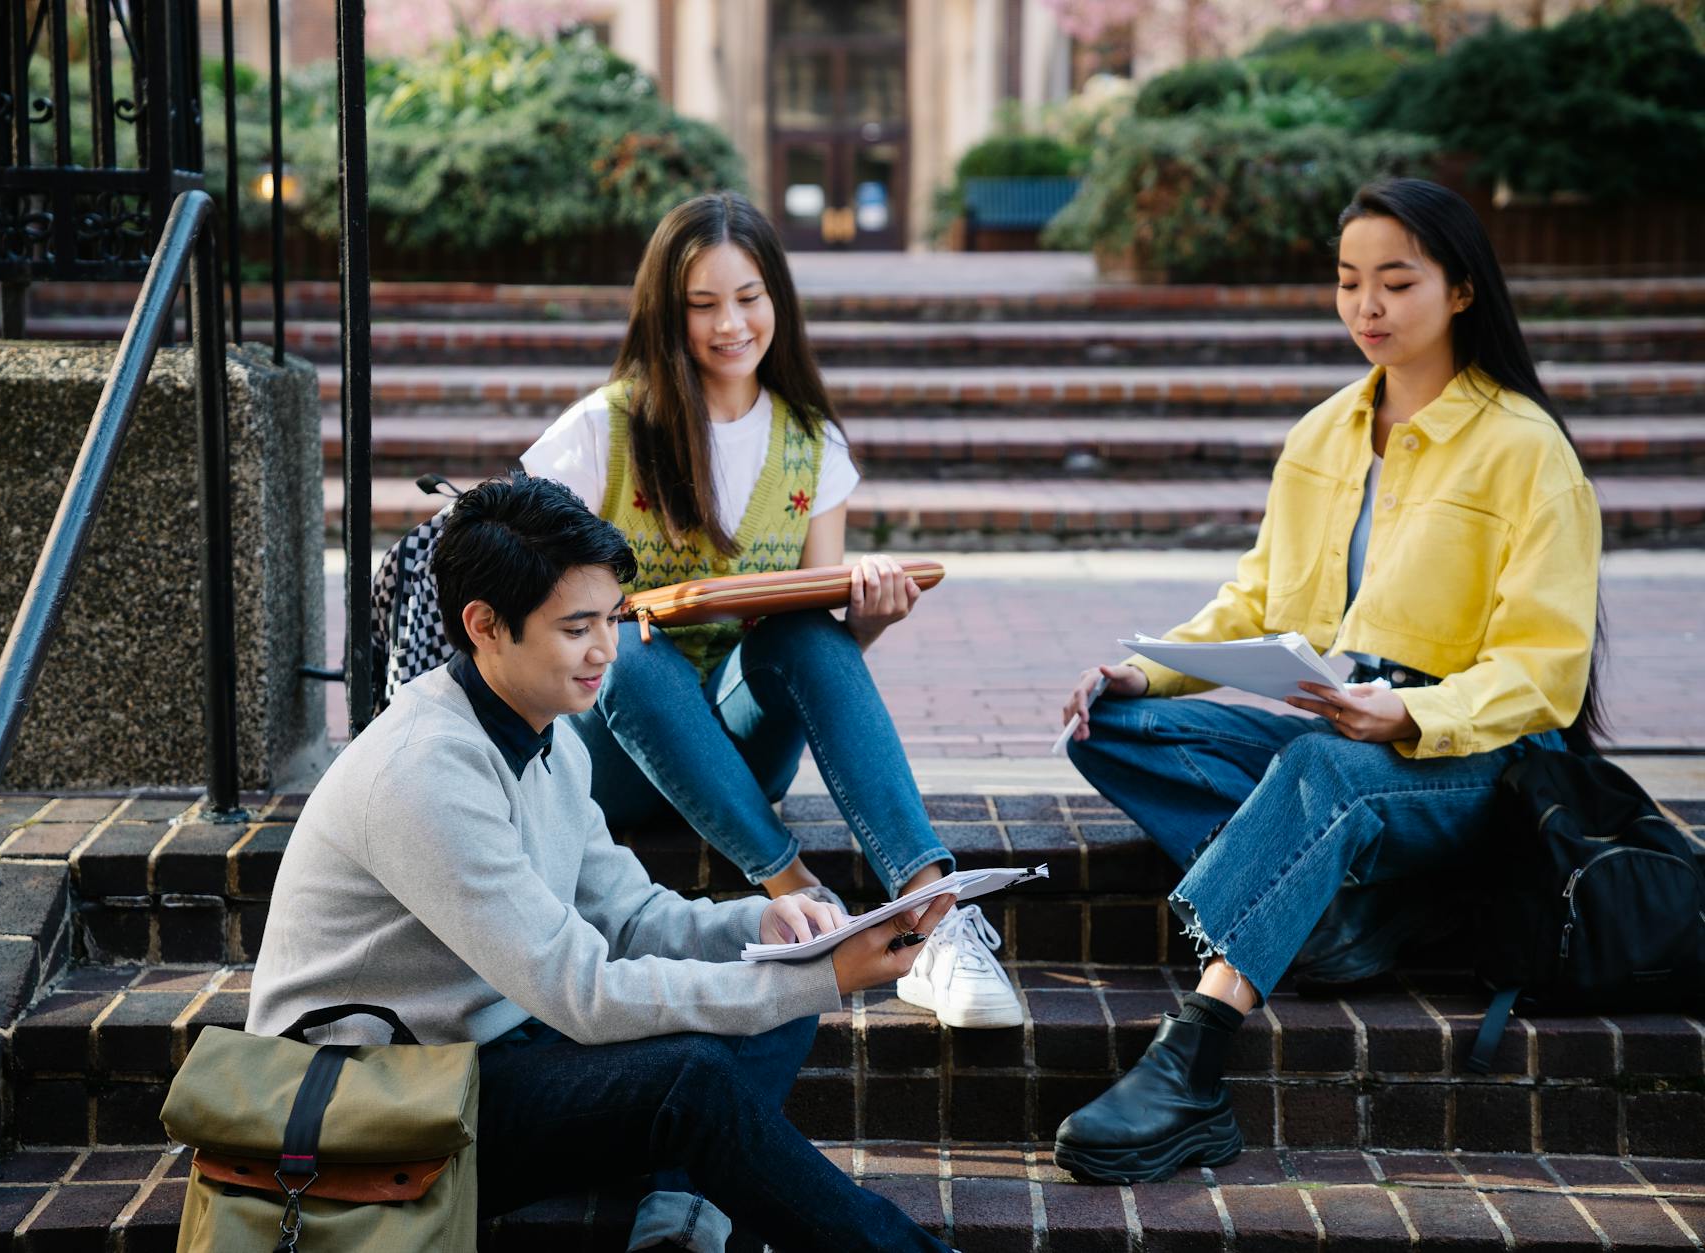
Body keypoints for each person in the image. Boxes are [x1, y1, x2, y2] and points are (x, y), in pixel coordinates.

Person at [248, 471, 963, 1252]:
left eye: (612, 619)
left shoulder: (543, 731)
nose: (605, 651)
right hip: (379, 1104)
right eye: (576, 627)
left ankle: (679, 1218)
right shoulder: (424, 771)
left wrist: (766, 924)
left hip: (493, 1045)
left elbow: (631, 916)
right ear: (485, 624)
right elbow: (583, 991)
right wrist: (825, 976)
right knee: (698, 1073)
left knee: (770, 1006)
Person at [1050, 178, 1603, 1183]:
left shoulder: (1524, 450)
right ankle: (1331, 920)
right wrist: (1142, 667)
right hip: (1348, 718)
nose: (1366, 307)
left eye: (1395, 281)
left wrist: (1409, 710)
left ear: (1461, 289)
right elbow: (1256, 597)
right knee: (1109, 729)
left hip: (1474, 756)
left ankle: (1195, 1059)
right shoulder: (1322, 435)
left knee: (1319, 765)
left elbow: (1546, 669)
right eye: (1348, 282)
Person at [520, 190, 1022, 1030]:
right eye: (703, 304)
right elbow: (524, 591)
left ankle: (936, 917)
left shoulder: (811, 439)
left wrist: (873, 616)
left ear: (777, 302)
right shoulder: (602, 431)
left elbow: (810, 633)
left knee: (804, 631)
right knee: (628, 649)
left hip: (739, 753)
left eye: (749, 298)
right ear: (665, 312)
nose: (731, 324)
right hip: (609, 752)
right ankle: (808, 904)